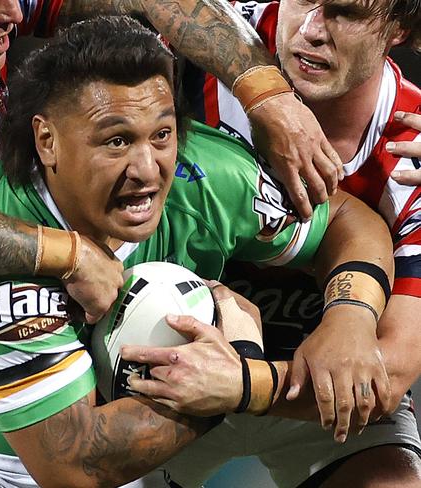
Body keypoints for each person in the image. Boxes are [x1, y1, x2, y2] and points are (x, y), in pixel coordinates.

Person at [0, 0, 345, 484]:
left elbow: (155, 1)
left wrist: (266, 92)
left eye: (161, 135)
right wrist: (70, 256)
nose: (13, 13)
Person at [124, 0, 421, 485]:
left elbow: (391, 376)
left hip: (318, 400)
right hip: (161, 373)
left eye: (345, 12)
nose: (310, 31)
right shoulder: (198, 46)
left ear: (402, 29)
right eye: (301, 1)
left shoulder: (413, 151)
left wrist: (245, 384)